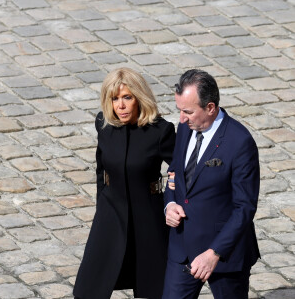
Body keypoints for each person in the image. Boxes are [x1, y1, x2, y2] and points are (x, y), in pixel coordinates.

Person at [73, 67, 176, 299]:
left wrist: (172, 198)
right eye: (115, 99)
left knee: (154, 289)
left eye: (127, 97)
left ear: (139, 97)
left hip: (148, 219)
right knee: (87, 288)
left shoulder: (161, 132)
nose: (120, 106)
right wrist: (102, 206)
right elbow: (101, 169)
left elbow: (181, 169)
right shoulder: (104, 124)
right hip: (110, 216)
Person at [162, 69, 260, 299]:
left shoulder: (240, 143)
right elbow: (174, 171)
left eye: (188, 112)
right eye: (180, 111)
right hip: (182, 248)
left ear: (210, 108)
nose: (182, 119)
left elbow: (244, 207)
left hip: (224, 255)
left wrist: (214, 253)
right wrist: (169, 204)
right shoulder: (186, 127)